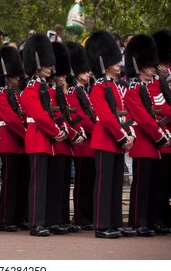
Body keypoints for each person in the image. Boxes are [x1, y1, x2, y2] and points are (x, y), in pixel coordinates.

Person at [85, 30, 136, 238]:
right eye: (114, 61)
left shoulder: (113, 86)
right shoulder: (99, 87)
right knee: (104, 185)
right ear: (104, 63)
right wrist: (123, 137)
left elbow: (121, 114)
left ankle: (114, 222)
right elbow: (106, 117)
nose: (118, 64)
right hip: (105, 140)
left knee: (115, 185)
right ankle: (101, 225)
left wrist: (130, 132)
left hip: (116, 140)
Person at [124, 34, 171, 237]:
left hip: (156, 143)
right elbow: (143, 118)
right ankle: (137, 221)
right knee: (141, 185)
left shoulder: (154, 86)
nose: (154, 68)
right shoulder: (134, 88)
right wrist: (159, 134)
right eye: (150, 65)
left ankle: (149, 220)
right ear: (141, 66)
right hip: (144, 142)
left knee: (152, 186)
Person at [21, 33, 67, 237]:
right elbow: (40, 117)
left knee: (50, 184)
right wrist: (57, 131)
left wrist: (63, 127)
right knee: (38, 185)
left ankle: (48, 220)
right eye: (47, 65)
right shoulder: (30, 90)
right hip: (39, 139)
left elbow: (56, 111)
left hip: (50, 141)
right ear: (38, 65)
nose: (51, 68)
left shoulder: (46, 89)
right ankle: (36, 222)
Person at [47, 42, 85, 234]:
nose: (63, 78)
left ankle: (62, 218)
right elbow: (56, 117)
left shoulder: (63, 94)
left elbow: (70, 116)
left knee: (64, 185)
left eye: (64, 75)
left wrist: (78, 133)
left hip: (67, 143)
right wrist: (70, 133)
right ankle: (54, 219)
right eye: (60, 75)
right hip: (57, 142)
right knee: (55, 184)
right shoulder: (50, 93)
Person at [0, 45, 29, 232]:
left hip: (22, 144)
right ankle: (6, 218)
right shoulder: (1, 95)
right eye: (14, 76)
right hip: (10, 143)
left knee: (22, 183)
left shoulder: (17, 94)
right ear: (7, 75)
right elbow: (12, 120)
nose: (18, 78)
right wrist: (27, 135)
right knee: (10, 184)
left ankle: (19, 217)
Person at [65, 41, 97, 230]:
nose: (88, 73)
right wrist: (96, 129)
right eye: (85, 71)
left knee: (89, 183)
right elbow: (79, 117)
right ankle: (80, 217)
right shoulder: (72, 92)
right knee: (82, 184)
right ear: (77, 72)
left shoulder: (84, 91)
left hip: (91, 144)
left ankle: (88, 216)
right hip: (83, 144)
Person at [149, 29, 171, 234]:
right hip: (162, 141)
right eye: (163, 65)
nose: (165, 68)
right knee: (159, 186)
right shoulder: (154, 84)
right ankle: (157, 218)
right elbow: (161, 109)